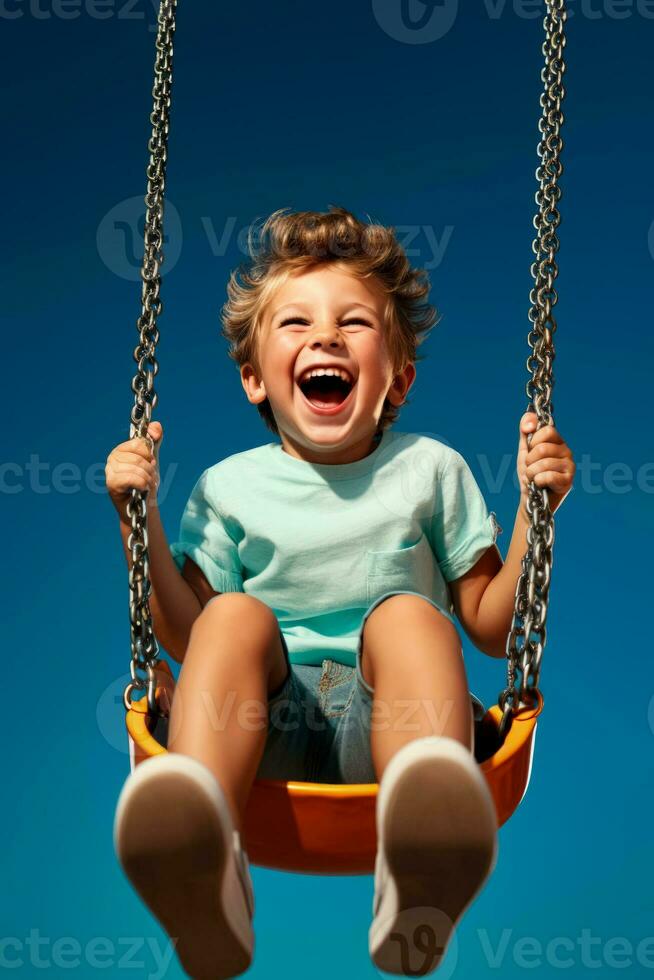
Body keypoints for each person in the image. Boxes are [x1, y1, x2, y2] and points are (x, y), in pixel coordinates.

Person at [107, 206, 576, 978]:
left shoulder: (431, 469)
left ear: (397, 375)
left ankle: (420, 852)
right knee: (232, 616)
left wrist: (534, 509)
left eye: (354, 323)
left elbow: (495, 627)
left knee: (406, 617)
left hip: (398, 726)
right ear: (255, 376)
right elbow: (188, 637)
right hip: (251, 732)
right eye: (296, 322)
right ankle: (205, 849)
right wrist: (138, 525)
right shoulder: (229, 488)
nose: (325, 337)